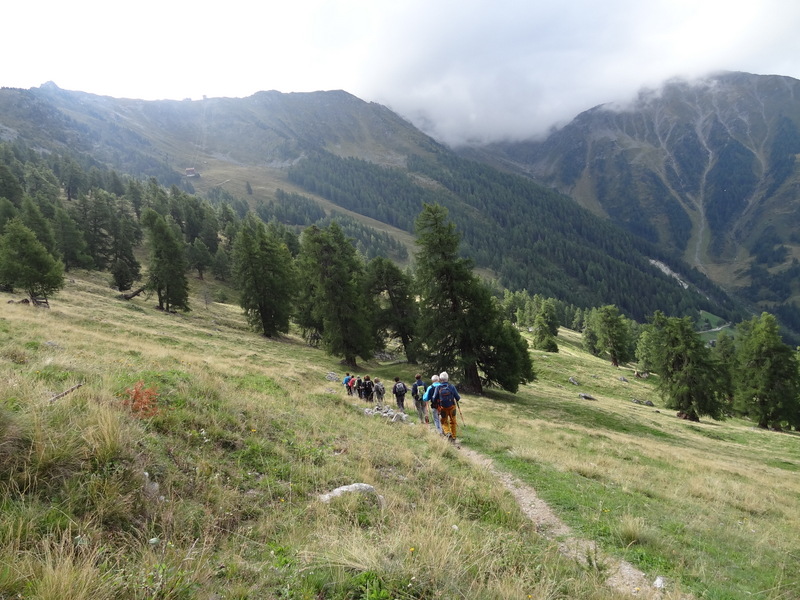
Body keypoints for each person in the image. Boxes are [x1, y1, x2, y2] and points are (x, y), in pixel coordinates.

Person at [431, 371, 460, 442]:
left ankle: (447, 433)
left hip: (443, 407)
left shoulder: (438, 387)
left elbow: (434, 399)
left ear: (440, 379)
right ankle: (454, 436)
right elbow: (458, 398)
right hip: (452, 407)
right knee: (453, 421)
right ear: (447, 378)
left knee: (443, 421)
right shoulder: (452, 387)